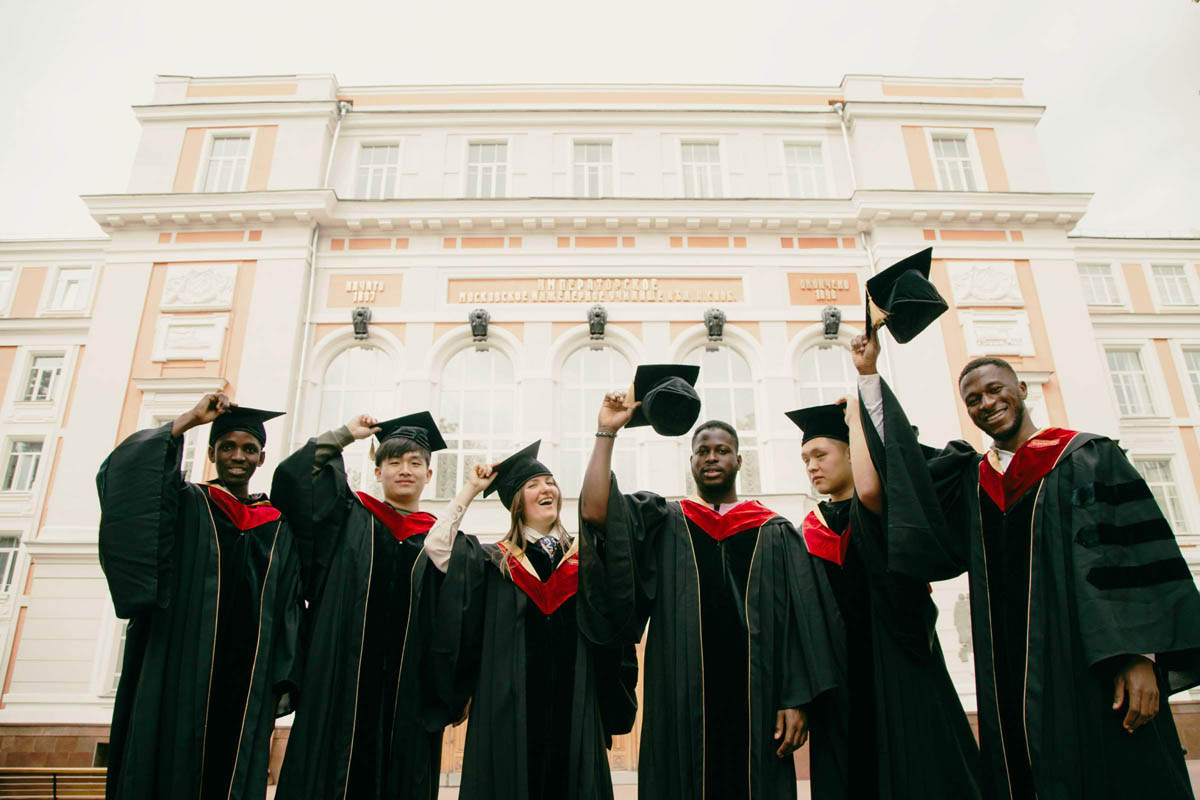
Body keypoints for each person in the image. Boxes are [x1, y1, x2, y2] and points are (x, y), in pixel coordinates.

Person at [854, 332, 1200, 799]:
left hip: (1093, 667)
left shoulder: (1086, 457)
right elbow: (903, 481)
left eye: (996, 389)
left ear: (1022, 389)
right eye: (973, 399)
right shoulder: (973, 481)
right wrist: (869, 377)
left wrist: (1140, 656)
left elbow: (1127, 560)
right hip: (1009, 679)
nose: (986, 403)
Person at [577, 365, 841, 800]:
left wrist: (796, 698)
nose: (712, 457)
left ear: (739, 460)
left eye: (722, 450)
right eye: (703, 451)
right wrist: (606, 432)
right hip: (682, 699)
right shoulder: (665, 521)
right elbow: (594, 512)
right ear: (692, 460)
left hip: (760, 702)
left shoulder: (775, 532)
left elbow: (801, 624)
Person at [96, 393, 304, 800]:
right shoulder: (188, 504)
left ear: (262, 458)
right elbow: (131, 482)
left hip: (248, 681)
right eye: (227, 447)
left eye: (248, 449)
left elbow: (289, 607)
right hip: (180, 669)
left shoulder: (278, 526)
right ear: (211, 453)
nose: (238, 456)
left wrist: (283, 675)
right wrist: (189, 419)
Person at [423, 441, 637, 800]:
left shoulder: (586, 561)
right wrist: (471, 489)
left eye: (550, 482)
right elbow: (437, 548)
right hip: (508, 712)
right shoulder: (494, 562)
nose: (546, 489)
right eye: (533, 485)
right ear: (516, 502)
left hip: (575, 709)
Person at [786, 403, 980, 799]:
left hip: (898, 665)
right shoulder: (806, 533)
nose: (812, 466)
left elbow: (872, 489)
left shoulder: (887, 510)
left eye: (821, 455)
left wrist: (860, 414)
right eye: (806, 458)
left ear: (852, 453)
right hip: (840, 686)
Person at [272, 412, 448, 800]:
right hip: (340, 678)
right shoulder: (348, 516)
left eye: (416, 462)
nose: (405, 470)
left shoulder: (440, 540)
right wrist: (344, 435)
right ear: (377, 471)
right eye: (394, 462)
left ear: (429, 475)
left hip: (409, 690)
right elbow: (295, 479)